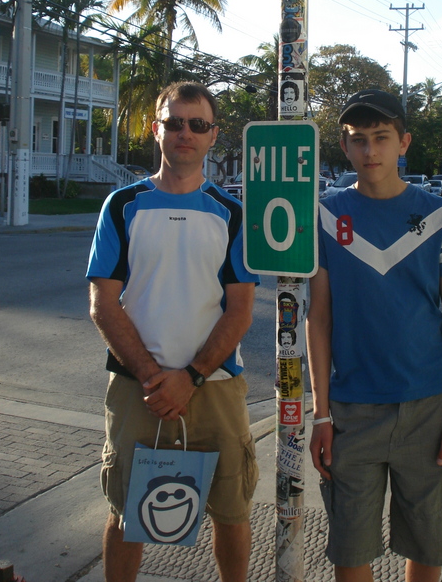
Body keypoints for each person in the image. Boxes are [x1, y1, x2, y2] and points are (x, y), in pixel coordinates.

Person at [86, 82, 260, 582]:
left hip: (218, 388)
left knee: (231, 512)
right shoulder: (122, 205)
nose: (186, 132)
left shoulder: (233, 214)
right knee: (126, 514)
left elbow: (240, 309)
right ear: (155, 128)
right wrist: (152, 376)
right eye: (175, 122)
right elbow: (103, 302)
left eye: (198, 124)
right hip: (138, 391)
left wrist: (193, 376)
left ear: (213, 136)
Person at [306, 89, 442, 582]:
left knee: (428, 545)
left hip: (429, 407)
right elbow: (319, 318)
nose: (370, 151)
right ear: (344, 145)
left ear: (403, 142)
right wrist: (321, 415)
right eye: (359, 140)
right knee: (350, 550)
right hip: (352, 412)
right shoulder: (324, 215)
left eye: (381, 138)